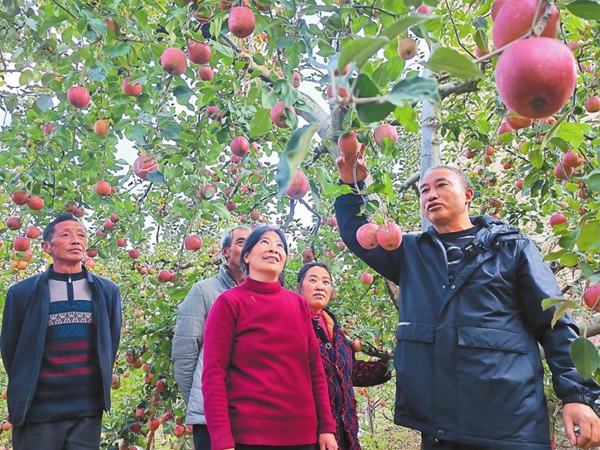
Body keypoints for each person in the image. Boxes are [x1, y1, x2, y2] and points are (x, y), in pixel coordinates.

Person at [333, 153, 600, 450]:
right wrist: (352, 184)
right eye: (423, 190)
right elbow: (360, 238)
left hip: (510, 423)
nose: (431, 194)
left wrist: (578, 396)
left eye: (441, 185)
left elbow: (554, 322)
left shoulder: (510, 247)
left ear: (468, 195)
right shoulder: (410, 253)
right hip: (439, 427)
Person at [202, 226, 339, 450]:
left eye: (280, 246)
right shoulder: (229, 303)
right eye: (265, 242)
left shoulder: (298, 304)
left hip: (303, 436)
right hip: (249, 437)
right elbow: (214, 375)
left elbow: (314, 368)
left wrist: (326, 426)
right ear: (246, 255)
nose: (274, 249)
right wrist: (221, 439)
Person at [0, 214, 122, 450]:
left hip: (87, 411)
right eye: (66, 234)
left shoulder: (106, 292)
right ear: (47, 246)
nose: (76, 240)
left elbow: (110, 343)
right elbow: (12, 350)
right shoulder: (22, 293)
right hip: (37, 410)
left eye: (81, 235)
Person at [297, 262, 391, 450]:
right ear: (298, 288)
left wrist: (394, 364)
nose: (320, 286)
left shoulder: (337, 333)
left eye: (326, 282)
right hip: (310, 435)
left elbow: (351, 373)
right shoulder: (293, 328)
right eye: (313, 280)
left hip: (346, 433)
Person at [172, 226, 250, 450]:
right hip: (211, 417)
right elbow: (184, 354)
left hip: (251, 414)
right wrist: (202, 401)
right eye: (241, 242)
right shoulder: (204, 292)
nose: (248, 248)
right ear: (225, 251)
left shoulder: (260, 297)